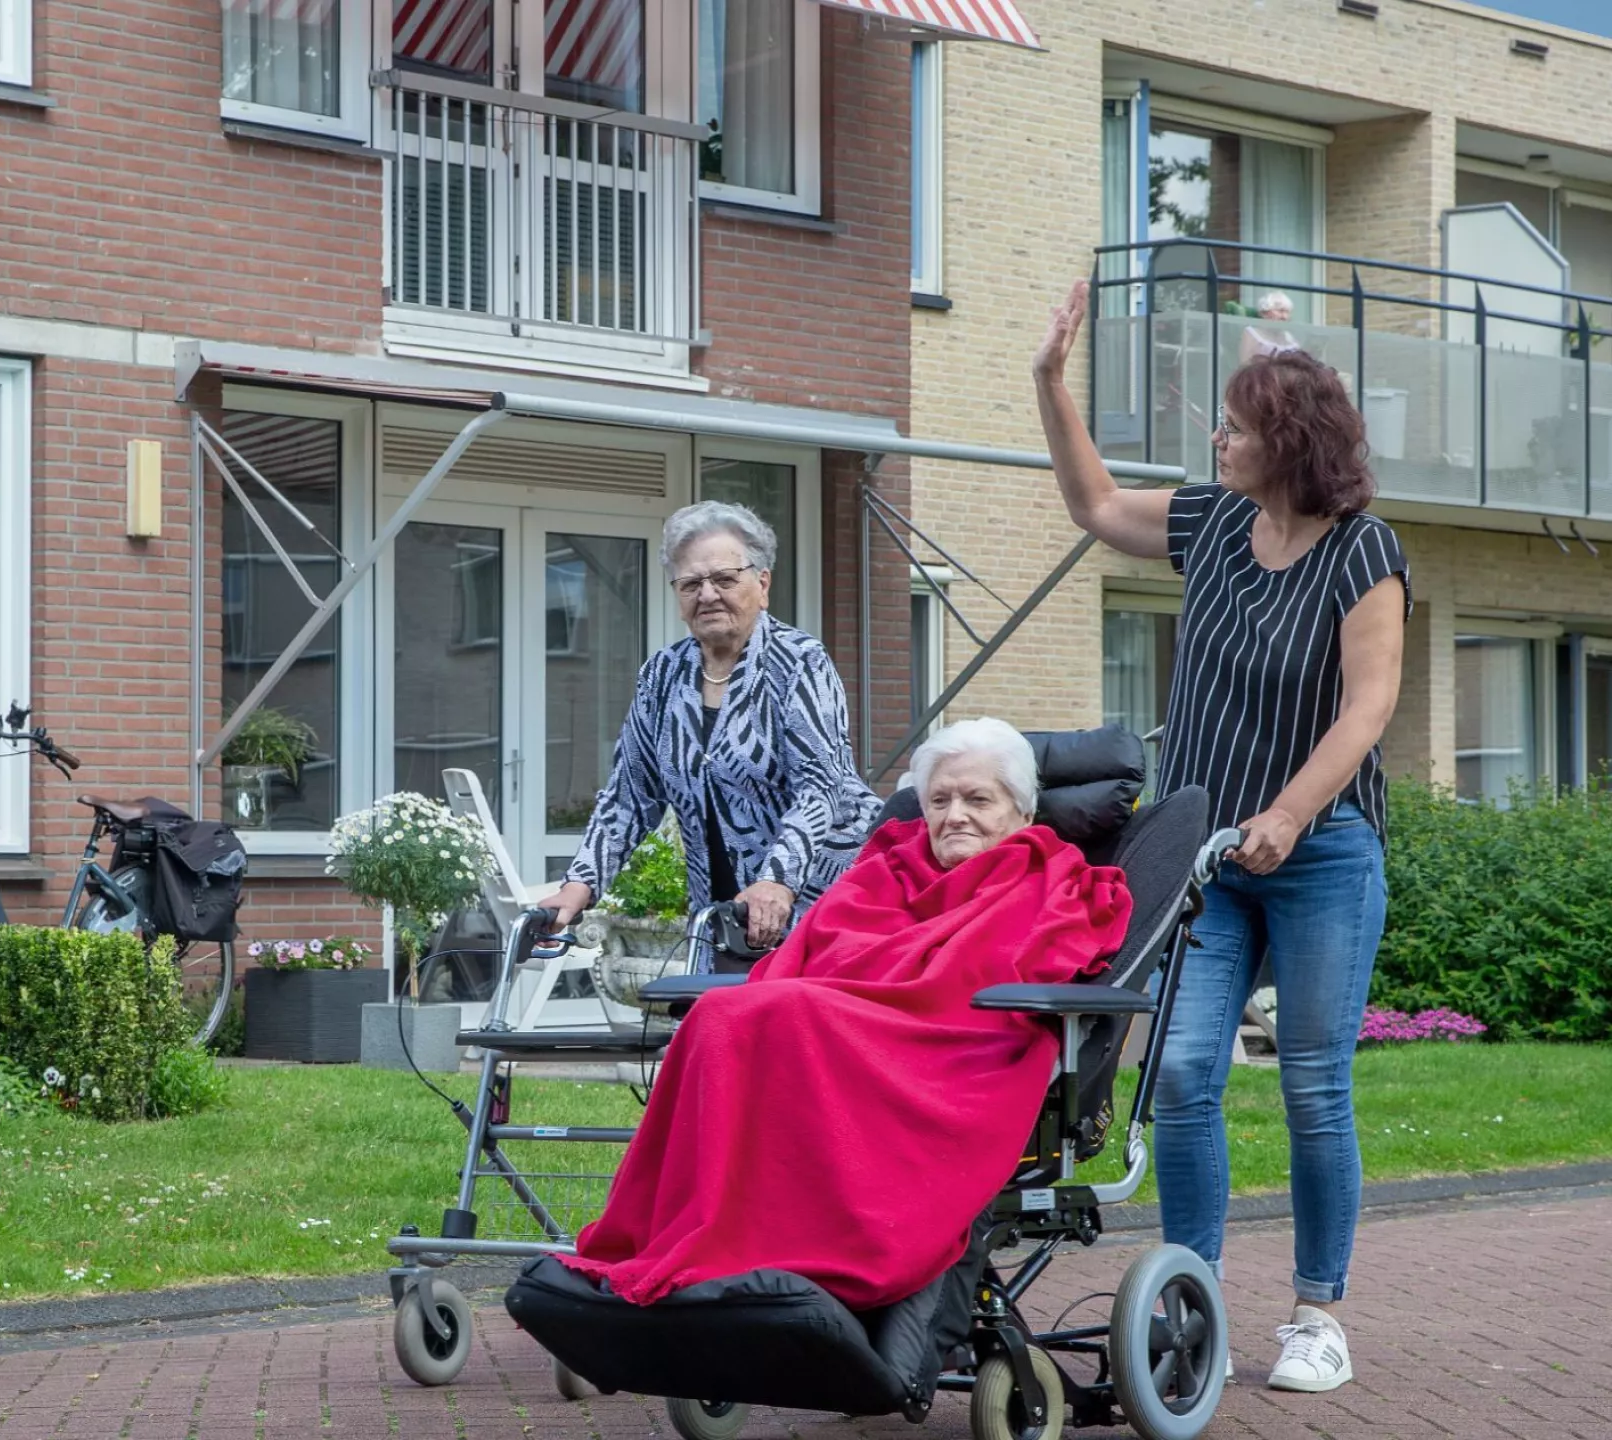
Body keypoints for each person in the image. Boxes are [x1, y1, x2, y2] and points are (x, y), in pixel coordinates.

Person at [1034, 279, 1408, 1395]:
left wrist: (1290, 816)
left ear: (1285, 442)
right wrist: (1049, 383)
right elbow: (1096, 507)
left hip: (1323, 854)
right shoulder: (1206, 522)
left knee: (1310, 1084)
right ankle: (1192, 1305)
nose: (1217, 438)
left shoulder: (1364, 552)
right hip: (1208, 859)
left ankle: (1318, 1313)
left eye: (1235, 426)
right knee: (1186, 1072)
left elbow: (1370, 704)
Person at [562, 718, 1133, 1309]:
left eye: (977, 799)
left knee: (777, 1012)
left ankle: (750, 1254)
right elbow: (808, 956)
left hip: (953, 1052)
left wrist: (827, 1004)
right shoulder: (885, 869)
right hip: (844, 1031)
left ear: (1020, 811)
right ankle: (679, 1239)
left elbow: (1037, 969)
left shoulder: (1054, 880)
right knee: (722, 1013)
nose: (955, 815)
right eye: (939, 800)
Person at [539, 501, 876, 950]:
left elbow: (820, 787)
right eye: (691, 583)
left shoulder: (799, 661)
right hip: (720, 908)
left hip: (818, 898)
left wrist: (778, 879)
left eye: (724, 579)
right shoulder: (662, 674)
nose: (708, 595)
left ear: (762, 583)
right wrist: (579, 885)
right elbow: (629, 796)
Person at [1240, 290, 1301, 362]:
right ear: (1264, 313)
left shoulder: (1290, 339)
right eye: (1280, 311)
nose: (1284, 317)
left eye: (1287, 312)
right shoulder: (1252, 334)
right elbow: (1245, 364)